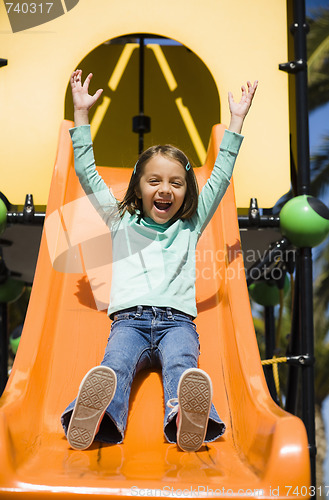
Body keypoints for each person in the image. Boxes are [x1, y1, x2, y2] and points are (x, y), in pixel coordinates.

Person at [61, 69, 258, 452]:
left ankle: (186, 418)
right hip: (129, 322)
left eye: (176, 183)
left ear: (187, 193)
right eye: (154, 181)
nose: (165, 189)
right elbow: (86, 173)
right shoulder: (120, 220)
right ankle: (99, 417)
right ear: (137, 186)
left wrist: (236, 121)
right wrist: (81, 114)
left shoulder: (191, 224)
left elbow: (220, 176)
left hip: (177, 324)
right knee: (114, 367)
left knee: (184, 368)